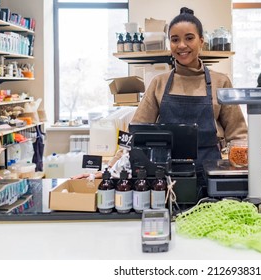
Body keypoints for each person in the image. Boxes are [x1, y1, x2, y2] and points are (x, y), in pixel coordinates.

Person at [74, 7, 247, 180]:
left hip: (210, 174)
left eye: (189, 38)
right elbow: (134, 132)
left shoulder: (221, 82)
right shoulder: (159, 83)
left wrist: (245, 167)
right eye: (175, 39)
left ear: (201, 41)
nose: (181, 45)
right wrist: (110, 168)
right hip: (164, 175)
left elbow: (238, 134)